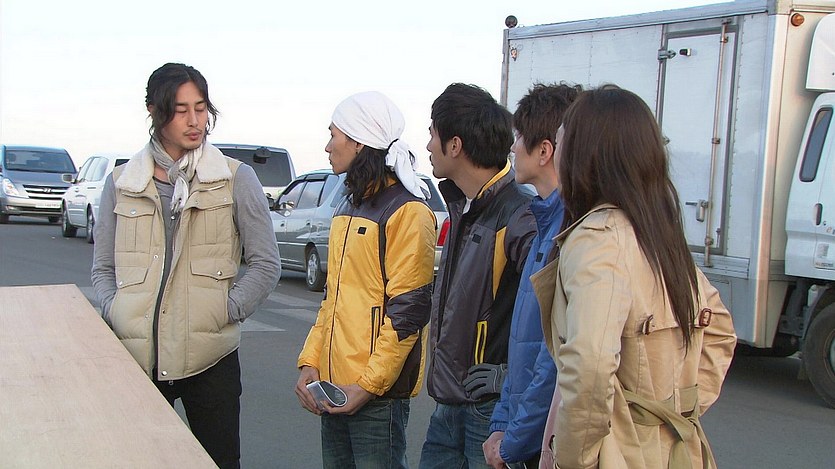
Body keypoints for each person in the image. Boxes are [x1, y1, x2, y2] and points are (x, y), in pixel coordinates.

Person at [530, 85, 737, 469]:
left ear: (584, 154)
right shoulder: (657, 233)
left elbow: (589, 366)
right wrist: (675, 409)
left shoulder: (597, 238)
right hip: (681, 450)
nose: (557, 153)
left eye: (562, 141)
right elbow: (720, 329)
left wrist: (574, 458)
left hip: (621, 455)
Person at [91, 62, 281, 469]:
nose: (195, 121)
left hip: (210, 359)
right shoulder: (122, 182)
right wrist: (114, 310)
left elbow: (266, 264)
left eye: (201, 108)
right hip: (136, 359)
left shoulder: (235, 178)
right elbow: (103, 268)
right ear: (153, 111)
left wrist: (224, 311)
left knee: (219, 462)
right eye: (181, 110)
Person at [295, 91, 436, 469]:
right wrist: (310, 362)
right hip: (333, 387)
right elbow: (333, 300)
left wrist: (368, 386)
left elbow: (408, 314)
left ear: (358, 142)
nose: (327, 146)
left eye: (334, 135)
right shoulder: (348, 205)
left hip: (376, 398)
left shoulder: (408, 211)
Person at [420, 83, 537, 469]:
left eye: (432, 134)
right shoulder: (463, 206)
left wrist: (507, 377)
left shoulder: (519, 215)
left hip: (489, 413)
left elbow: (557, 315)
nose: (428, 146)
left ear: (455, 145)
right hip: (447, 408)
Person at [481, 83, 581, 469]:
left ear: (545, 151)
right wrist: (501, 424)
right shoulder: (543, 220)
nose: (513, 147)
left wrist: (513, 441)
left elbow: (552, 359)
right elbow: (522, 346)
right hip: (524, 439)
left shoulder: (569, 232)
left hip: (540, 445)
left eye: (520, 137)